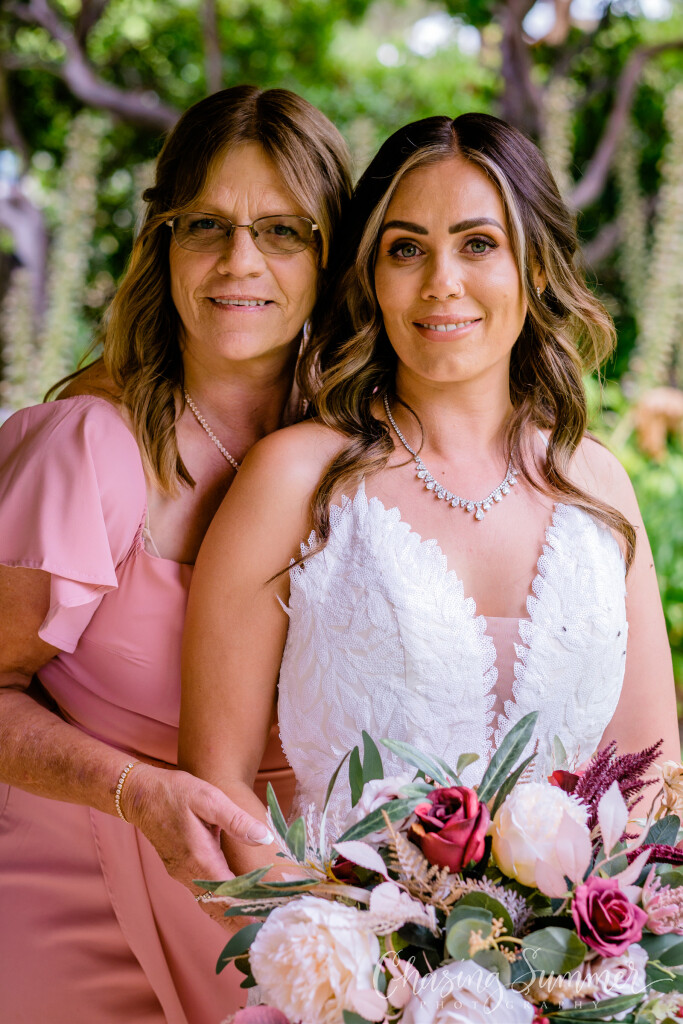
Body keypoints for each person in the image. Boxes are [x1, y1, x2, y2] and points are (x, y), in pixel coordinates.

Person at [180, 112, 679, 890]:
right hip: (336, 949)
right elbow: (217, 780)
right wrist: (341, 948)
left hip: (578, 963)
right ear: (370, 278)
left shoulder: (597, 489)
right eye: (405, 249)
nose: (441, 281)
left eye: (477, 244)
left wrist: (607, 950)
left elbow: (651, 781)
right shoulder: (294, 480)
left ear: (534, 267)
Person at [0, 85, 351, 1023]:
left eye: (282, 231)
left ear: (331, 258)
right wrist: (133, 789)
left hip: (292, 917)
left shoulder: (362, 458)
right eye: (207, 225)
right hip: (77, 912)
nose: (240, 261)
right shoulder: (89, 447)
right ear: (163, 242)